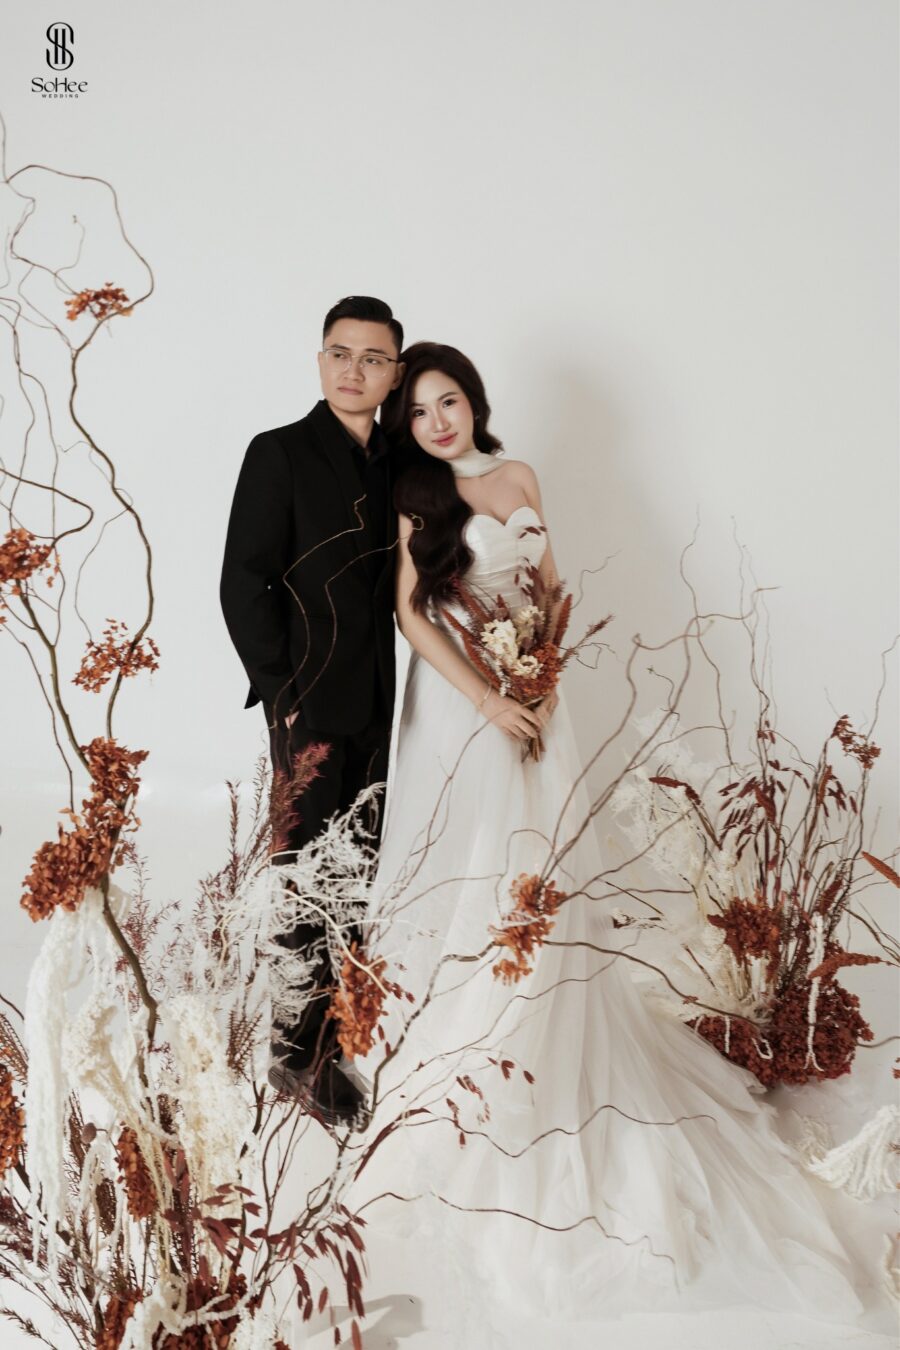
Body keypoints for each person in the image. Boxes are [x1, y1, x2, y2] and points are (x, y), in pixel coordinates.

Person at [354, 342, 880, 1327]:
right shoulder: (416, 496)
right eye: (418, 411)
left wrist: (544, 670)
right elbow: (413, 619)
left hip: (537, 695)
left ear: (474, 401)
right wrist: (489, 698)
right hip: (465, 706)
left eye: (449, 400)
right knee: (481, 868)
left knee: (547, 863)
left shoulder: (520, 474)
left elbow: (553, 588)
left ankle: (550, 1005)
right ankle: (466, 1028)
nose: (437, 422)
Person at [220, 296, 405, 1127]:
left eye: (372, 358)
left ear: (394, 373)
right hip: (308, 703)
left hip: (384, 705)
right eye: (340, 353)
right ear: (320, 358)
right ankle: (295, 1056)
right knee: (302, 877)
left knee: (360, 871)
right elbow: (243, 581)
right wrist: (283, 696)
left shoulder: (398, 462)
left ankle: (338, 1034)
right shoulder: (280, 453)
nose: (353, 370)